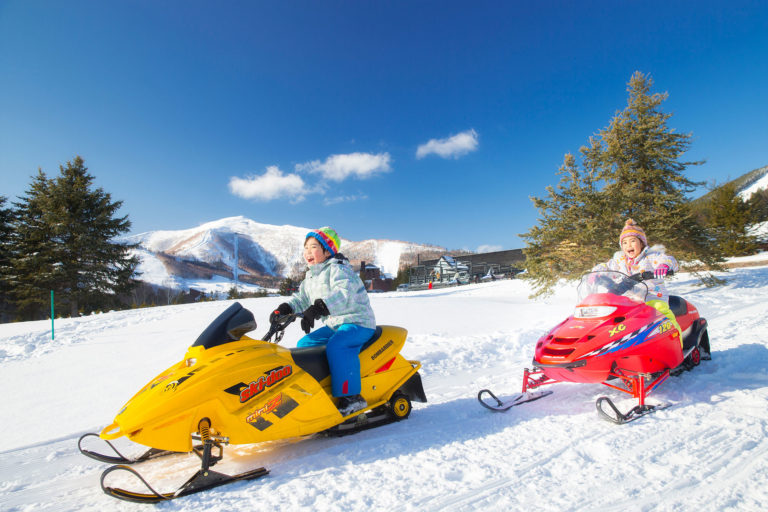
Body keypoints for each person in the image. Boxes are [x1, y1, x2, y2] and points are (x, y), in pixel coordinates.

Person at [270, 227, 376, 416]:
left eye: (313, 247)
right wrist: (286, 308)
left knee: (338, 345)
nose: (308, 252)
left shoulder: (339, 269)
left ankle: (352, 397)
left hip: (358, 321)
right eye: (305, 248)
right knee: (305, 344)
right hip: (335, 324)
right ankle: (317, 388)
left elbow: (343, 294)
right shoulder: (311, 276)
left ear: (328, 251)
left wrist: (319, 308)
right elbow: (301, 298)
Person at [592, 219, 682, 341]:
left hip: (653, 297)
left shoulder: (651, 257)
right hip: (629, 301)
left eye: (633, 241)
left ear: (641, 243)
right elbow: (606, 267)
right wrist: (596, 273)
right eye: (624, 243)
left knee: (662, 314)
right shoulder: (619, 260)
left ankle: (677, 342)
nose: (628, 245)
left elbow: (668, 260)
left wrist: (664, 265)